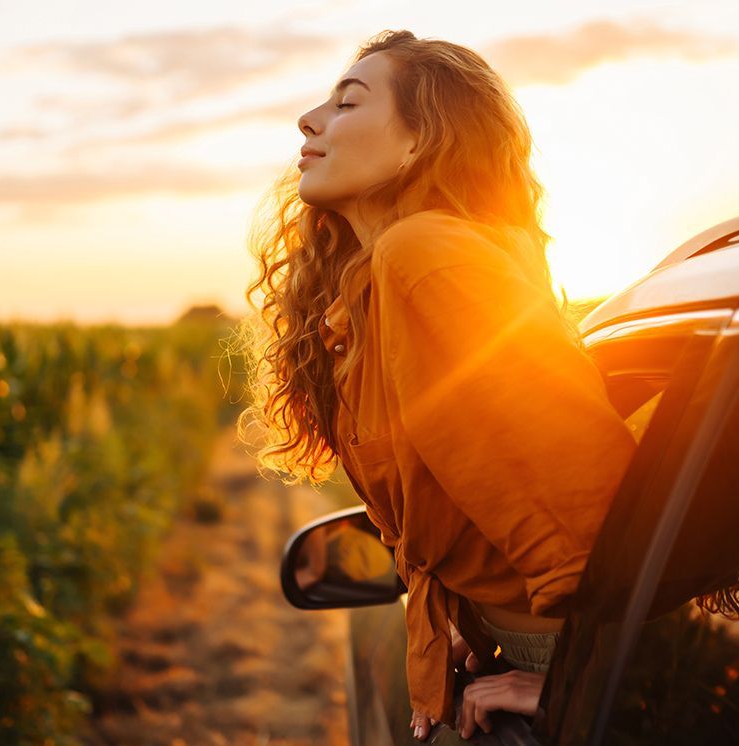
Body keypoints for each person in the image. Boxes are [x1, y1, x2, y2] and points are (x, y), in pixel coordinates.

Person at [238, 30, 639, 741]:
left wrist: (580, 689)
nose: (310, 119)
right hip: (504, 647)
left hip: (565, 662)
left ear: (421, 141)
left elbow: (586, 510)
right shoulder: (376, 286)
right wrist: (453, 612)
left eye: (348, 101)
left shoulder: (423, 253)